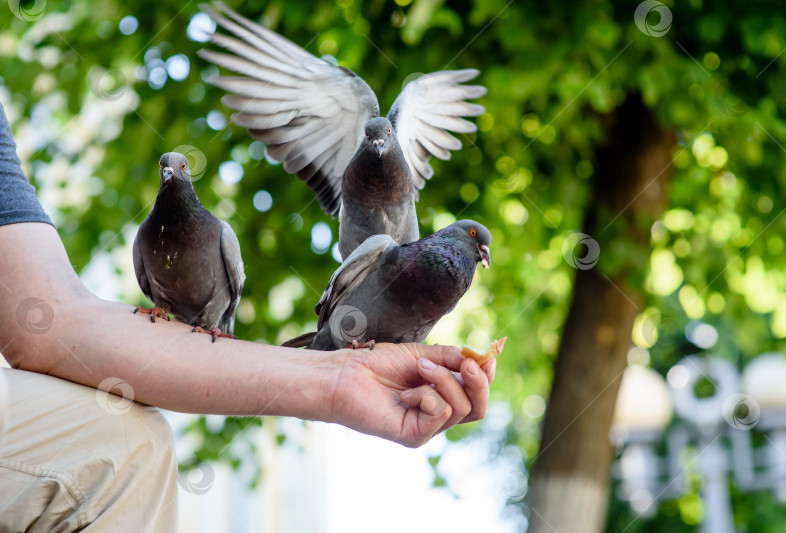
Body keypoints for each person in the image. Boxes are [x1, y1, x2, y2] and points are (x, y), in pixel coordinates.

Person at [0, 101, 495, 531]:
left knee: (131, 442)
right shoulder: (379, 249)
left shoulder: (220, 239)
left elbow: (45, 320)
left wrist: (334, 381)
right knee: (123, 451)